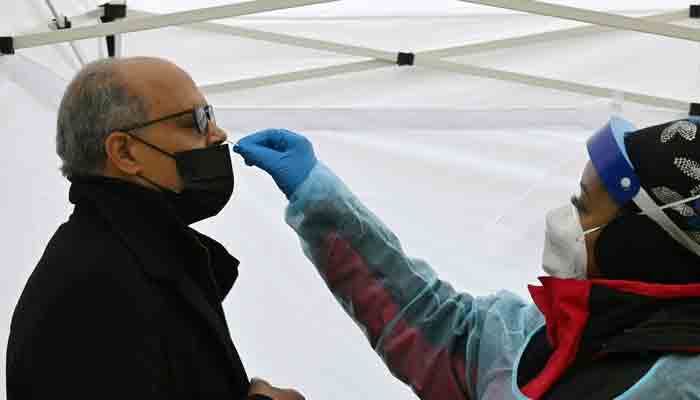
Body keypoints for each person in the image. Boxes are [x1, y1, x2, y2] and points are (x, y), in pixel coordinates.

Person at [233, 118, 700, 399]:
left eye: (582, 204)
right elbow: (434, 326)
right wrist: (319, 200)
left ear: (641, 240)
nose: (564, 219)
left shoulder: (680, 383)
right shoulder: (546, 338)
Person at [6, 57, 303, 400]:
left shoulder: (144, 258)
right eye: (194, 122)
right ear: (124, 152)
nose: (217, 133)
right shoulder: (93, 285)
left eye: (211, 115)